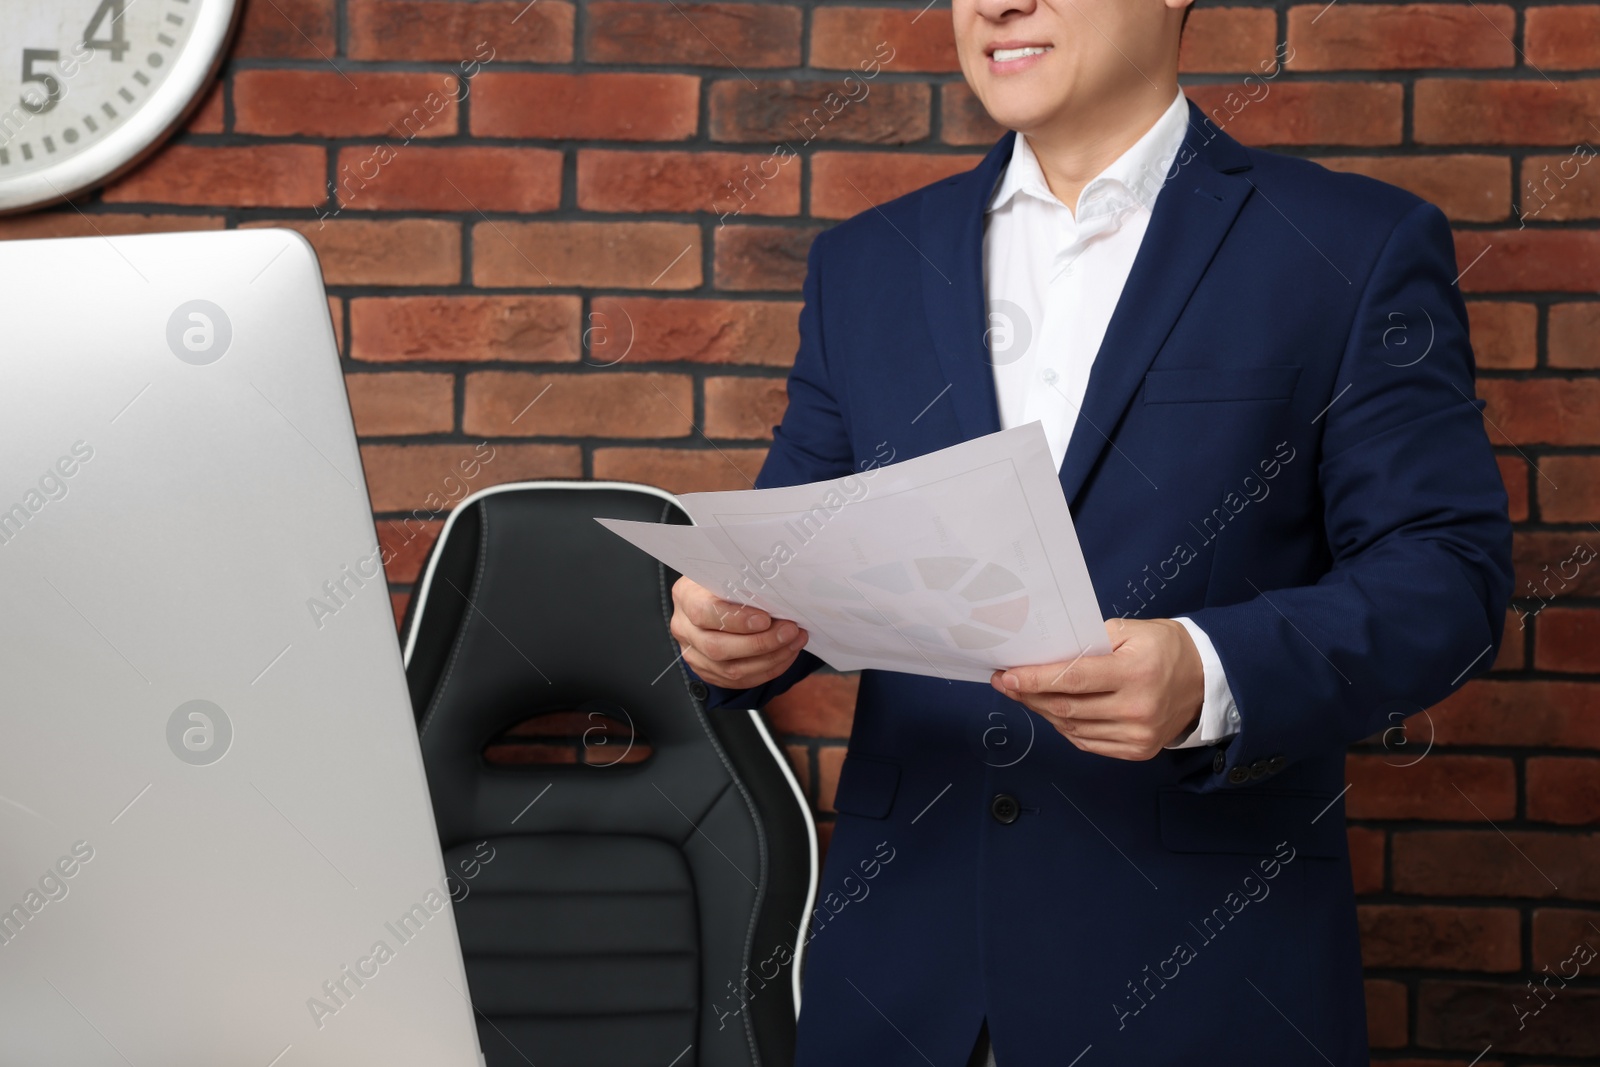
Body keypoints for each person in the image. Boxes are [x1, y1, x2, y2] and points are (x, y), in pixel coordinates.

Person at [670, 0, 1514, 1062]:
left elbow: (1447, 574)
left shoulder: (1350, 246)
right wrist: (731, 630)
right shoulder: (867, 263)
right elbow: (789, 550)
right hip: (900, 985)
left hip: (1201, 984)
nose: (994, 4)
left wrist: (1209, 671)